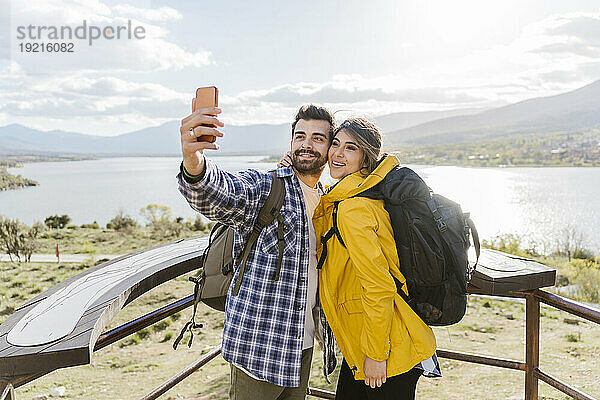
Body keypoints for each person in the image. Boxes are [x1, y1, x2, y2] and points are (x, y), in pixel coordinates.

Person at [177, 103, 336, 400]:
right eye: (300, 136)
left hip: (301, 347)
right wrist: (193, 160)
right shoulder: (268, 186)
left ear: (330, 148)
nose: (306, 144)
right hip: (259, 347)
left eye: (318, 138)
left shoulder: (327, 200)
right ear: (291, 143)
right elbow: (219, 193)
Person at [312, 117, 441, 399]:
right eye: (335, 144)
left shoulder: (353, 210)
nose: (337, 153)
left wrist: (376, 354)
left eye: (350, 148)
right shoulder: (357, 196)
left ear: (366, 159)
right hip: (369, 339)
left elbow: (378, 286)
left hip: (385, 349)